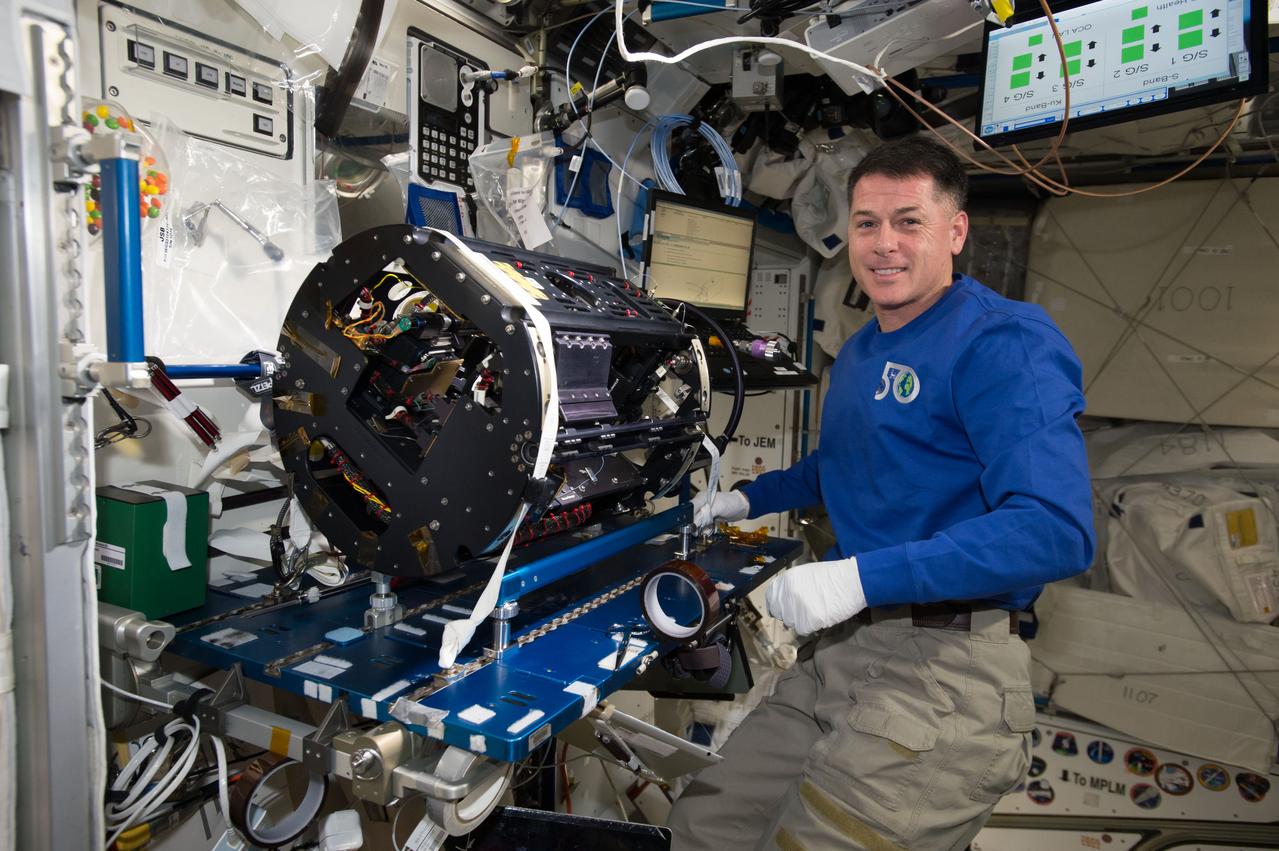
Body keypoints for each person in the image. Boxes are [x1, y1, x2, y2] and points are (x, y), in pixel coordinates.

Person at [668, 136, 1095, 851]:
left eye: (908, 221)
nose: (883, 243)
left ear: (954, 230)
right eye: (866, 223)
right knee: (704, 824)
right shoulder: (864, 347)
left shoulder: (1002, 343)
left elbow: (1053, 528)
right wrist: (746, 498)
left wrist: (862, 575)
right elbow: (840, 465)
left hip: (945, 666)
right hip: (843, 650)